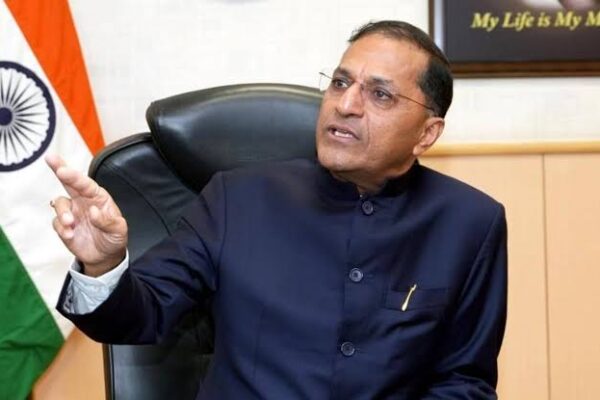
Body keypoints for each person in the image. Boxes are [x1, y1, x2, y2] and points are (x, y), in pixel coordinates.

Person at [48, 20, 507, 399]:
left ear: (427, 134)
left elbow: (464, 381)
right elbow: (140, 314)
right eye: (341, 83)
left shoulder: (470, 222)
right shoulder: (237, 198)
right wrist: (103, 263)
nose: (346, 105)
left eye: (380, 95)